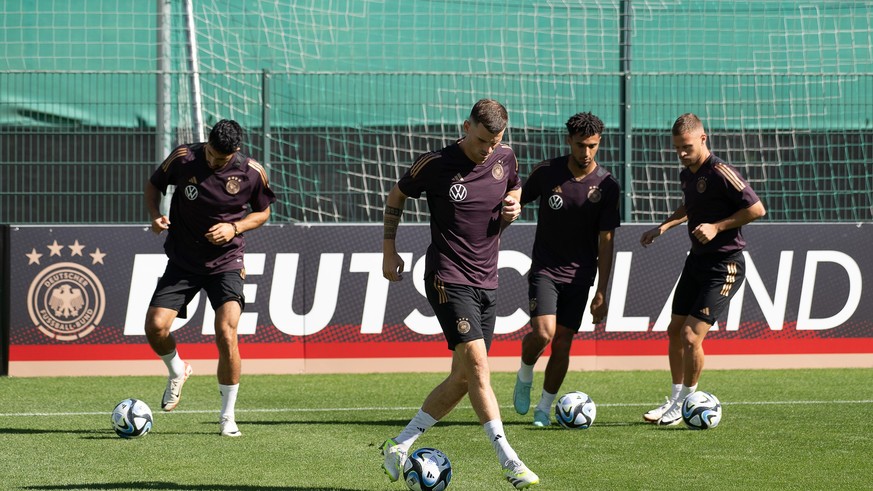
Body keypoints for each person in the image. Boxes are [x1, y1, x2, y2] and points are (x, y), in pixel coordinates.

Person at [380, 99, 539, 489]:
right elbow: (397, 195)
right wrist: (389, 248)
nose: (488, 148)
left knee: (463, 379)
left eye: (495, 141)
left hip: (488, 279)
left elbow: (514, 187)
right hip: (447, 277)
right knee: (481, 369)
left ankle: (399, 445)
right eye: (483, 139)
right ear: (466, 126)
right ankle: (510, 460)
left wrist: (513, 205)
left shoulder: (506, 157)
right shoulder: (435, 164)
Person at [143, 119, 275, 437]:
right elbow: (154, 185)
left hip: (226, 262)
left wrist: (235, 227)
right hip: (184, 260)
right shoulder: (185, 157)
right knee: (155, 326)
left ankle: (227, 416)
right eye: (212, 154)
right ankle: (178, 370)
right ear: (208, 143)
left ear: (236, 151)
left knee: (226, 333)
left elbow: (263, 211)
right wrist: (155, 215)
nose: (215, 162)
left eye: (222, 158)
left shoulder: (252, 172)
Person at [639, 113, 765, 425]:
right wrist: (663, 227)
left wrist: (717, 226)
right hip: (696, 261)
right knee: (673, 331)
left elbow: (756, 208)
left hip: (725, 266)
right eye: (677, 148)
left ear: (703, 139)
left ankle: (685, 404)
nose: (682, 154)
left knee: (691, 336)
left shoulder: (721, 171)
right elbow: (689, 208)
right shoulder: (688, 174)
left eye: (687, 147)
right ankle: (674, 398)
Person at [512, 112, 620, 427]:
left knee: (563, 342)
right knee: (543, 333)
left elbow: (607, 241)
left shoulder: (607, 185)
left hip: (581, 275)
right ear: (568, 141)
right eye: (580, 145)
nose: (586, 152)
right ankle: (525, 371)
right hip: (546, 268)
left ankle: (544, 409)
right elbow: (518, 197)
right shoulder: (548, 172)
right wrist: (509, 205)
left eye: (592, 146)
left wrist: (602, 290)